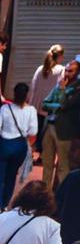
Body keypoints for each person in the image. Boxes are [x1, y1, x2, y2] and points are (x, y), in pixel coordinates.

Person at [0, 83, 39, 214]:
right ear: (27, 95)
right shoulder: (31, 111)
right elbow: (33, 130)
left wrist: (3, 133)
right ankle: (5, 205)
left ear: (14, 93)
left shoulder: (5, 109)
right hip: (20, 146)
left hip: (4, 145)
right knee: (11, 176)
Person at [41, 60, 79, 190]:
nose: (67, 73)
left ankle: (62, 197)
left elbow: (65, 105)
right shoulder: (60, 84)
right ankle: (45, 194)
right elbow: (45, 103)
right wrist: (56, 106)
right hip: (50, 126)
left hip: (64, 131)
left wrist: (62, 91)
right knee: (47, 164)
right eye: (66, 70)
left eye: (71, 71)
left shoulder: (76, 88)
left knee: (63, 166)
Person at [30, 45, 66, 152]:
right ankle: (41, 153)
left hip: (37, 104)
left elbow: (33, 86)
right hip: (49, 106)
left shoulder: (40, 69)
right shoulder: (61, 70)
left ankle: (32, 150)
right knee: (46, 132)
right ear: (59, 56)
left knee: (36, 130)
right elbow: (62, 87)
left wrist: (31, 103)